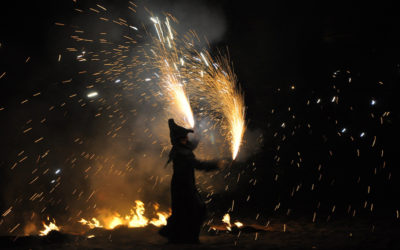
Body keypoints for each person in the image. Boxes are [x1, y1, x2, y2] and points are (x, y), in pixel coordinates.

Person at [159, 119, 225, 244]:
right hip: (183, 186)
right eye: (184, 137)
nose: (187, 139)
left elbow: (191, 145)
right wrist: (216, 164)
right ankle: (182, 237)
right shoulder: (182, 152)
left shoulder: (179, 147)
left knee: (184, 211)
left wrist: (198, 136)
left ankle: (177, 236)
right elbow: (198, 164)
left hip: (183, 185)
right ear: (179, 139)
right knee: (195, 210)